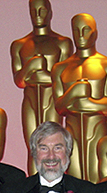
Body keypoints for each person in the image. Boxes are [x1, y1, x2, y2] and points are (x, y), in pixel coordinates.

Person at [51, 13, 107, 182]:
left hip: (97, 128)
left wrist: (84, 102)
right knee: (73, 180)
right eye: (76, 30)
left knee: (98, 177)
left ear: (94, 33)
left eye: (86, 30)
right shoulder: (60, 68)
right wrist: (75, 91)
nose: (81, 35)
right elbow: (59, 107)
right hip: (71, 130)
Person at [10, 0, 73, 175]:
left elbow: (63, 79)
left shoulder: (62, 42)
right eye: (34, 10)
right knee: (34, 148)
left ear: (49, 12)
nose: (38, 14)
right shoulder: (20, 44)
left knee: (56, 145)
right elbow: (19, 80)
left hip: (52, 98)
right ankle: (33, 190)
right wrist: (31, 66)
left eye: (42, 10)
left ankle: (61, 190)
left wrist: (40, 73)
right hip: (30, 98)